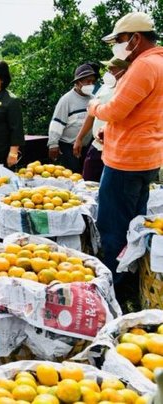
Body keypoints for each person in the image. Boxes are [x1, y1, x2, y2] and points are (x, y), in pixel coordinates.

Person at [87, 12, 163, 300]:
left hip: (126, 161)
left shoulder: (144, 66)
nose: (116, 47)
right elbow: (143, 114)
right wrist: (114, 131)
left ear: (135, 38)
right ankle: (132, 281)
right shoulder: (160, 62)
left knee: (113, 226)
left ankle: (114, 289)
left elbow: (115, 109)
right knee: (135, 223)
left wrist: (95, 106)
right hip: (147, 157)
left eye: (118, 40)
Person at [72, 57, 129, 182]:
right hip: (97, 146)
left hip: (116, 150)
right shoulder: (104, 88)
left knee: (110, 187)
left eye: (111, 69)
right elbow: (91, 114)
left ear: (123, 70)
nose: (108, 73)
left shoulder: (127, 90)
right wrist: (79, 138)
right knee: (88, 182)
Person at [47, 63, 97, 173]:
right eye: (87, 81)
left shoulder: (93, 99)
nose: (91, 84)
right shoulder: (66, 100)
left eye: (93, 81)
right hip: (67, 146)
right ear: (78, 82)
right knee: (71, 174)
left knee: (83, 175)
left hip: (85, 145)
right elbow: (56, 124)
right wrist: (53, 144)